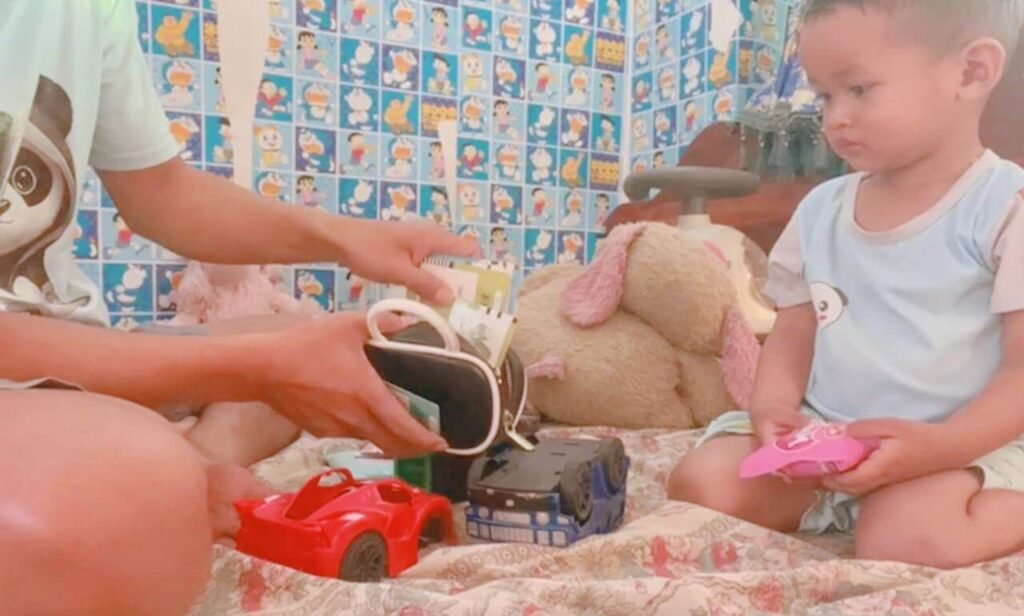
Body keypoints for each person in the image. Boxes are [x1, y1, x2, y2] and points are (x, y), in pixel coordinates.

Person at [0, 2, 478, 614]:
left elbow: (162, 193)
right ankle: (164, 471)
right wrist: (251, 366)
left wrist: (344, 238)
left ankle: (180, 462)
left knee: (292, 329)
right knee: (134, 493)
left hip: (57, 356)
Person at [668, 0, 1024, 570]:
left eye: (859, 89)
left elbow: (1020, 374)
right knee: (703, 483)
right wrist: (776, 408)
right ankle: (852, 500)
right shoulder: (820, 209)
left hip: (958, 445)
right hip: (829, 432)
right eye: (825, 96)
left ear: (972, 71)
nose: (833, 118)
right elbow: (794, 327)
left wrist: (942, 447)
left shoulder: (1005, 207)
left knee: (904, 542)